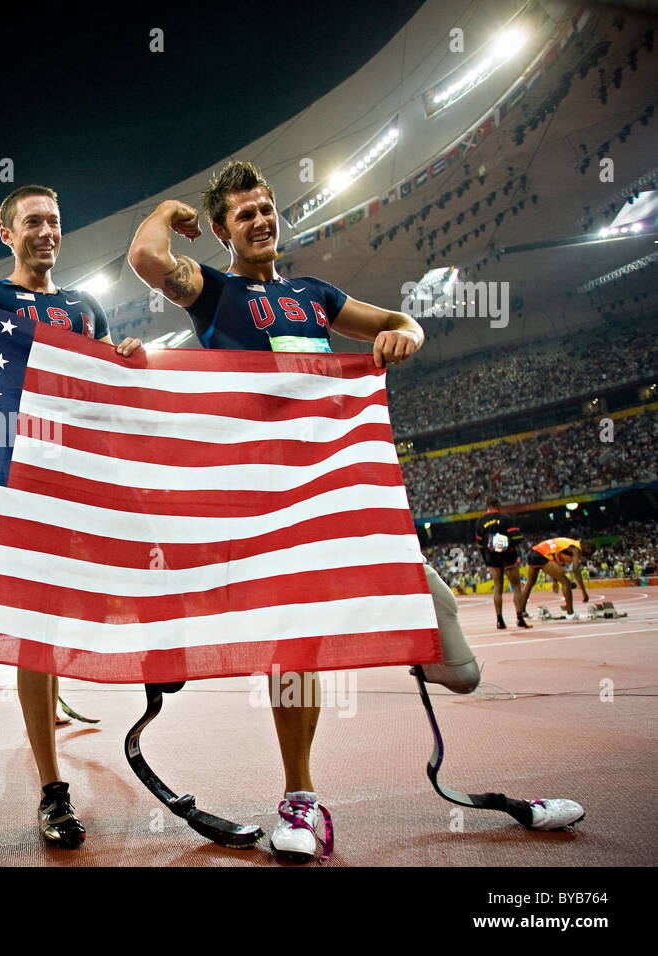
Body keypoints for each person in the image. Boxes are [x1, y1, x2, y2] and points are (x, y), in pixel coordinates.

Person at [127, 160, 583, 860]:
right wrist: (166, 207)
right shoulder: (213, 293)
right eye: (243, 214)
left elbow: (400, 321)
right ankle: (301, 797)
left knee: (462, 673)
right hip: (271, 506)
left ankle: (396, 636)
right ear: (221, 230)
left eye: (267, 207)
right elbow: (147, 258)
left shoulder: (314, 294)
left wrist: (407, 336)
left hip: (342, 500)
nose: (261, 221)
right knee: (297, 640)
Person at [0, 186, 141, 849]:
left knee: (93, 614)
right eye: (33, 222)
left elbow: (103, 391)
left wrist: (121, 362)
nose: (47, 231)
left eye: (54, 222)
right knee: (37, 634)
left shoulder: (85, 306)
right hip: (24, 480)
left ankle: (62, 699)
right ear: (8, 235)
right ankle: (52, 789)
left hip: (87, 480)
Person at [476, 499, 530, 628]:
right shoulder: (505, 518)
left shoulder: (480, 522)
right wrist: (505, 543)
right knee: (516, 586)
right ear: (498, 506)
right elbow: (517, 538)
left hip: (491, 557)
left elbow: (480, 545)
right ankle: (520, 618)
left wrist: (487, 558)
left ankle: (499, 620)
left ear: (487, 506)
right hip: (508, 555)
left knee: (497, 588)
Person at [522, 537, 595, 615]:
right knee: (566, 582)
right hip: (542, 554)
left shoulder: (566, 546)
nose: (585, 556)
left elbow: (554, 563)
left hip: (533, 552)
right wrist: (584, 592)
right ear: (587, 548)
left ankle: (521, 611)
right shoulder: (576, 548)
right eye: (588, 554)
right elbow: (575, 569)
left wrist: (555, 581)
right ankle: (570, 614)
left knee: (529, 583)